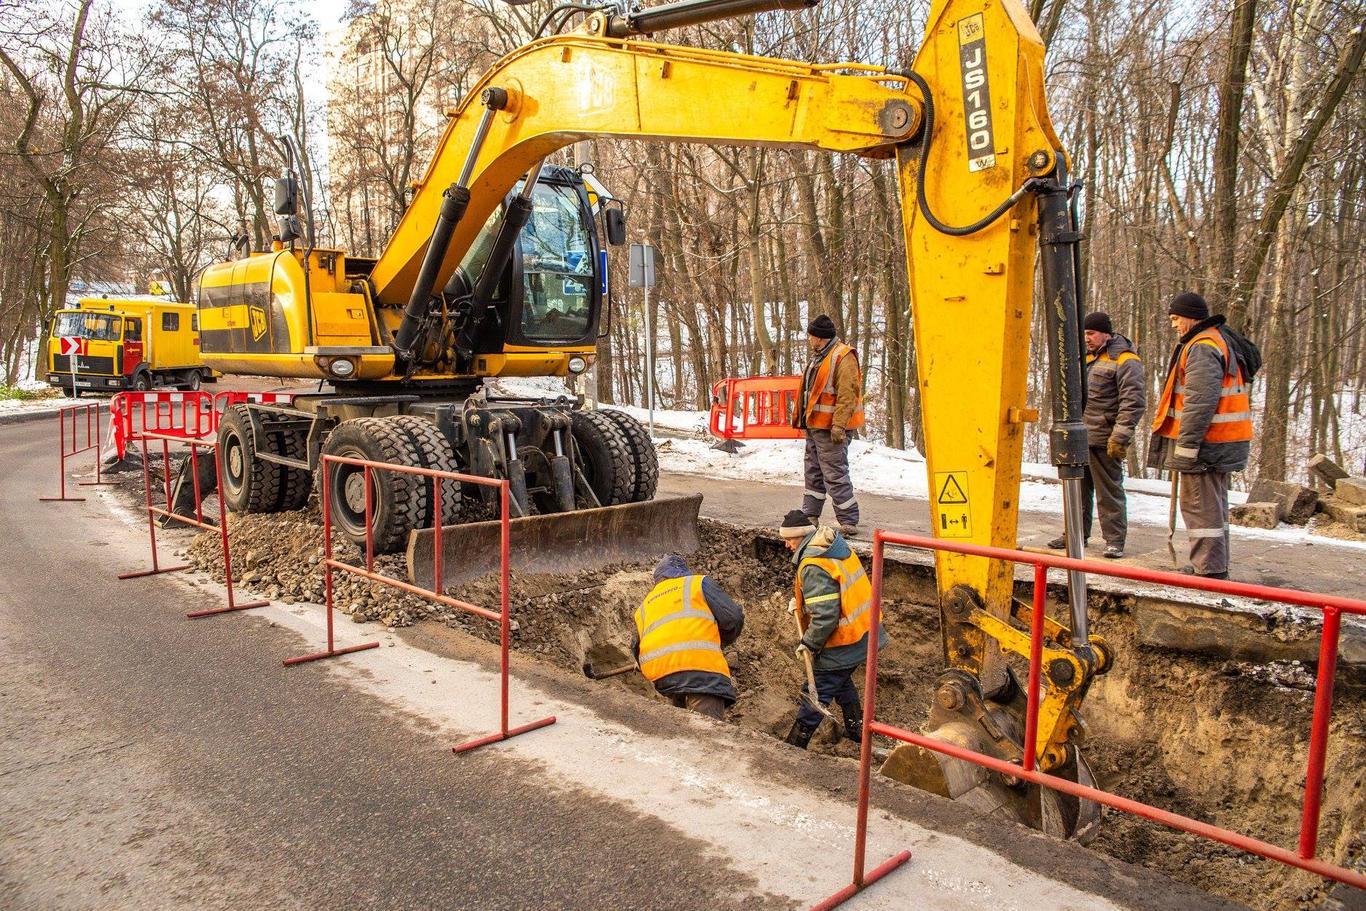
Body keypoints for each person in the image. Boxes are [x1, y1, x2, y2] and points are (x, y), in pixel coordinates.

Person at [1146, 291, 1253, 579]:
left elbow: (1199, 401)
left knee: (1199, 506)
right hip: (1222, 441)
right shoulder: (1218, 340)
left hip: (1206, 444)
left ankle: (1209, 570)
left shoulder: (1202, 347)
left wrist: (1187, 447)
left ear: (1191, 317)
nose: (1174, 325)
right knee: (1213, 507)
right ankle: (1213, 564)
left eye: (1175, 319)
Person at [778, 510, 889, 749]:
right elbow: (834, 592)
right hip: (865, 632)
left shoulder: (812, 564)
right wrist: (802, 603)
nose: (787, 545)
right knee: (841, 680)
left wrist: (808, 643)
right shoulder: (830, 545)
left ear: (801, 536)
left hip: (846, 640)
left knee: (817, 689)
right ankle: (857, 731)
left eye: (789, 539)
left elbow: (826, 616)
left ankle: (793, 746)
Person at [1048, 311, 1146, 558]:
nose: (1086, 338)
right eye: (1084, 334)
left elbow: (1132, 402)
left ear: (1106, 333)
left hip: (1105, 437)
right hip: (1080, 436)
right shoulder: (1086, 358)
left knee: (1108, 493)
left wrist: (1120, 436)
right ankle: (1075, 534)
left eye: (1090, 333)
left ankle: (1114, 540)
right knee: (1077, 490)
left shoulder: (1125, 360)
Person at [633, 554, 745, 720]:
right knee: (707, 734)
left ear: (658, 581)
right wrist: (720, 641)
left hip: (663, 676)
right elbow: (733, 618)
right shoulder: (698, 583)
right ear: (684, 574)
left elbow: (636, 646)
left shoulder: (645, 604)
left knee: (682, 728)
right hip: (701, 671)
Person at [792, 314, 865, 536]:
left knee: (834, 472)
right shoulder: (819, 357)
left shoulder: (842, 357)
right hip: (815, 426)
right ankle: (810, 514)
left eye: (811, 336)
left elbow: (847, 394)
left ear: (820, 338)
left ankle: (848, 519)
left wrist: (839, 426)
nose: (809, 340)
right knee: (813, 472)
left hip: (831, 429)